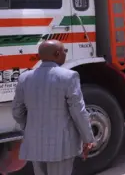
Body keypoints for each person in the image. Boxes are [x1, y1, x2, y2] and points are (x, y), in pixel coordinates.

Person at [11, 40, 94, 175]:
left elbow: (17, 111)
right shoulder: (69, 76)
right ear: (57, 54)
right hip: (61, 147)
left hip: (35, 143)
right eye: (64, 51)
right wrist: (88, 138)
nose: (65, 54)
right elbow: (78, 111)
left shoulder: (24, 78)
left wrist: (30, 126)